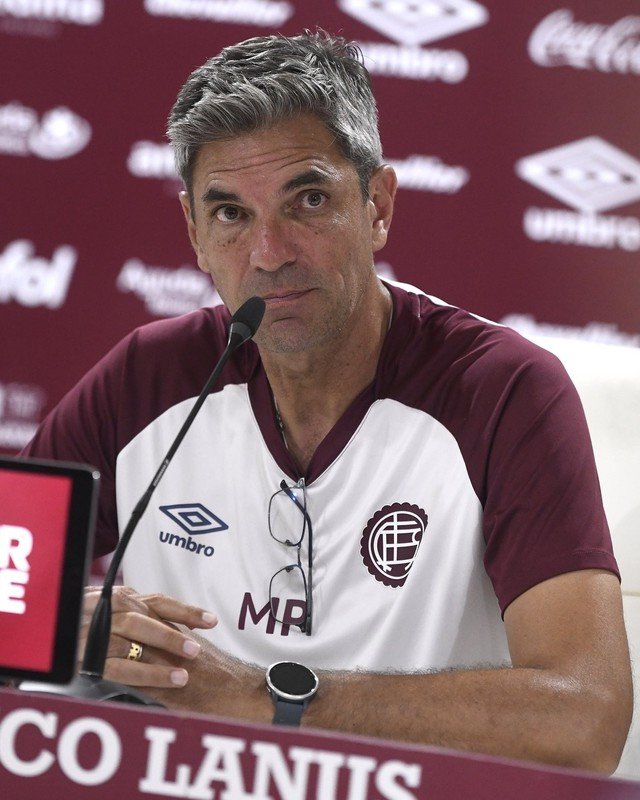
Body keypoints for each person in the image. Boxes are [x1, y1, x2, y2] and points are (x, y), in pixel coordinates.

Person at [23, 31, 632, 772]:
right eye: (229, 214)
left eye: (307, 200)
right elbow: (6, 581)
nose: (269, 252)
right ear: (192, 230)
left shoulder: (501, 391)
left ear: (376, 204)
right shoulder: (147, 380)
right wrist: (52, 625)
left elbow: (586, 718)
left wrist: (264, 698)